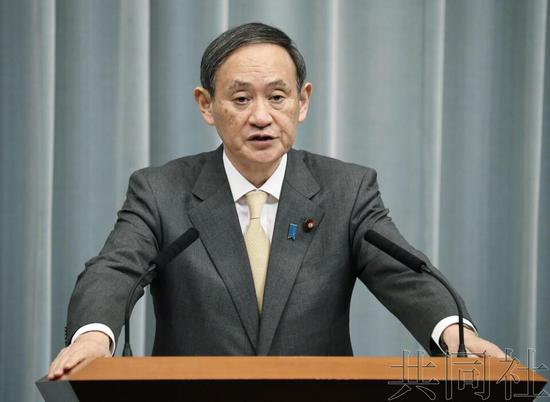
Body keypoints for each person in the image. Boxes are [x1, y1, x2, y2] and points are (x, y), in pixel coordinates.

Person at [48, 22, 504, 380]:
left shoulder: (347, 190)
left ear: (302, 102)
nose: (261, 117)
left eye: (277, 96)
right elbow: (116, 269)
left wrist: (456, 334)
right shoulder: (160, 190)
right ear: (206, 105)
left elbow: (404, 274)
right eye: (241, 98)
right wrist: (94, 337)